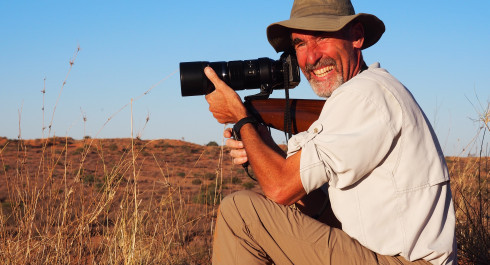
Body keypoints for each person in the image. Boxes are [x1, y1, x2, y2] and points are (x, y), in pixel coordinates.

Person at [204, 0, 457, 264]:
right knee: (264, 206)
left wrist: (241, 119)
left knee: (240, 212)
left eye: (322, 37)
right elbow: (317, 207)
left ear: (356, 36)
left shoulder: (363, 95)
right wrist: (260, 145)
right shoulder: (372, 90)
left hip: (402, 261)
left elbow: (281, 189)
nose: (310, 57)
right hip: (386, 256)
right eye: (300, 43)